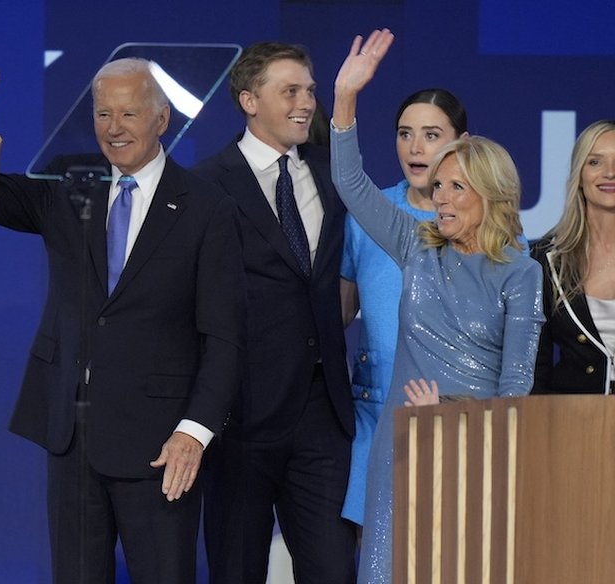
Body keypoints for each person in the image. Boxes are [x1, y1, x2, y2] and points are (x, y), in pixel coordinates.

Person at [0, 57, 245, 583]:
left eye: (129, 113)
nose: (114, 127)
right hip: (73, 435)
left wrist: (193, 433)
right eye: (103, 113)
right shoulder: (70, 185)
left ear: (161, 120)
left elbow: (224, 338)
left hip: (161, 446)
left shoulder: (205, 207)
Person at [330, 29, 544, 583]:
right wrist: (346, 99)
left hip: (474, 451)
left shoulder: (521, 273)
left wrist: (451, 414)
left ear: (491, 195)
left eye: (456, 188)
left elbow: (516, 385)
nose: (440, 200)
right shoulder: (415, 246)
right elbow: (350, 183)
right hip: (399, 447)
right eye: (439, 186)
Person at [194, 43, 356, 584]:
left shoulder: (334, 171)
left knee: (333, 572)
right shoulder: (206, 184)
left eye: (309, 90)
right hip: (241, 416)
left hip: (321, 414)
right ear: (248, 100)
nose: (306, 102)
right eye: (290, 91)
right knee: (236, 571)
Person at [338, 88, 468, 527]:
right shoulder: (367, 216)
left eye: (431, 135)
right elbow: (337, 314)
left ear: (461, 143)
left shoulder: (491, 229)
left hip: (457, 422)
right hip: (374, 420)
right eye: (405, 134)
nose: (415, 148)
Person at [532, 120, 615, 395]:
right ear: (579, 175)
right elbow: (536, 365)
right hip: (573, 421)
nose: (609, 173)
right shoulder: (547, 258)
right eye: (595, 162)